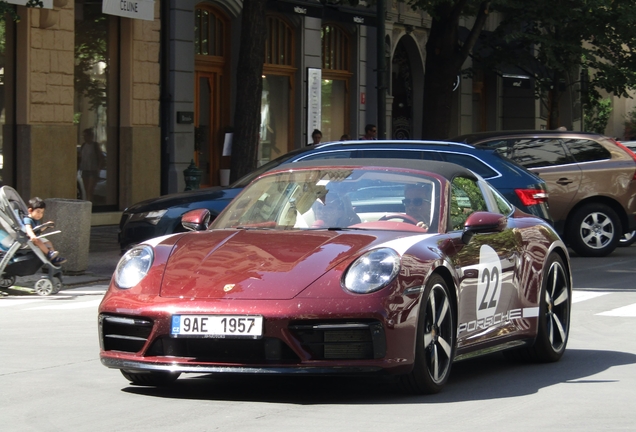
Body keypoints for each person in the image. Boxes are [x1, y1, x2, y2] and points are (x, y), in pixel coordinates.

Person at [23, 197, 66, 265]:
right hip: (31, 238)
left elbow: (38, 230)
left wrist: (46, 226)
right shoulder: (27, 219)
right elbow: (28, 229)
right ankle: (49, 254)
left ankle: (54, 257)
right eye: (38, 212)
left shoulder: (36, 219)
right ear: (30, 211)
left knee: (48, 243)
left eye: (42, 212)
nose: (40, 215)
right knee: (39, 241)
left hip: (36, 236)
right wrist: (32, 236)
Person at [78, 128, 105, 202]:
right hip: (85, 169)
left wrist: (98, 169)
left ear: (91, 136)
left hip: (93, 170)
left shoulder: (95, 145)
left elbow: (101, 158)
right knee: (86, 190)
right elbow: (81, 157)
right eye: (83, 136)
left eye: (86, 135)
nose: (84, 137)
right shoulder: (83, 145)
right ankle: (88, 203)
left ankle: (90, 204)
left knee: (90, 190)